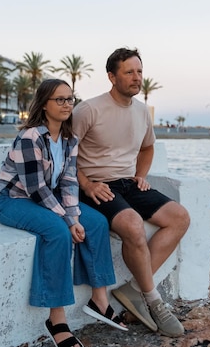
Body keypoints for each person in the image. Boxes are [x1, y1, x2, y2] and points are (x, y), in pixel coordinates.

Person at [0, 79, 127, 347]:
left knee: (97, 223)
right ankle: (57, 320)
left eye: (70, 99)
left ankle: (100, 300)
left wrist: (74, 217)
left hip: (47, 198)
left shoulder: (69, 139)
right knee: (58, 232)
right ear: (44, 105)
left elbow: (68, 181)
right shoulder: (30, 138)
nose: (67, 105)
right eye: (60, 100)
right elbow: (35, 189)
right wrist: (67, 221)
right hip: (14, 201)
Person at [72, 48, 190, 337]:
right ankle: (154, 301)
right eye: (129, 72)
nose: (137, 77)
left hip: (128, 182)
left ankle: (134, 289)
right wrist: (86, 184)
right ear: (112, 77)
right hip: (94, 186)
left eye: (139, 71)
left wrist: (140, 175)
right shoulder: (88, 109)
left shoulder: (141, 111)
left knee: (180, 217)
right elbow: (65, 154)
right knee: (133, 226)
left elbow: (148, 147)